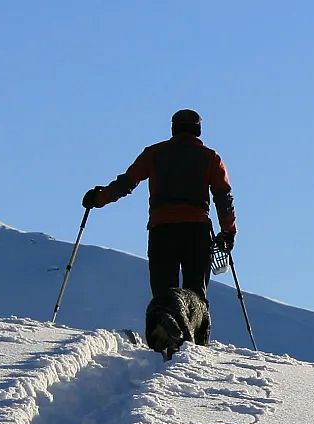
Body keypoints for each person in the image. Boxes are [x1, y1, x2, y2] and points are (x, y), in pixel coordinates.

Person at [83, 108, 237, 302]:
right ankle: (195, 331)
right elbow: (223, 197)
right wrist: (228, 231)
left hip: (162, 230)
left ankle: (165, 328)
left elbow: (126, 183)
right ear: (198, 130)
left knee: (164, 296)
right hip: (197, 231)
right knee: (196, 297)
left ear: (173, 129)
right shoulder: (210, 158)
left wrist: (99, 198)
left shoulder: (154, 153)